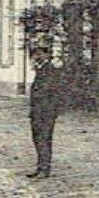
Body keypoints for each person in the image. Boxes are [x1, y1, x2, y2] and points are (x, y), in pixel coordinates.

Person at [27, 48, 62, 179]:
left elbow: (47, 90)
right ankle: (40, 166)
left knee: (44, 139)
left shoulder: (50, 70)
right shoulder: (40, 69)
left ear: (46, 55)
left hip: (46, 111)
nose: (37, 56)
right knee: (37, 139)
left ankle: (45, 168)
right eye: (35, 54)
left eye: (40, 53)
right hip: (37, 111)